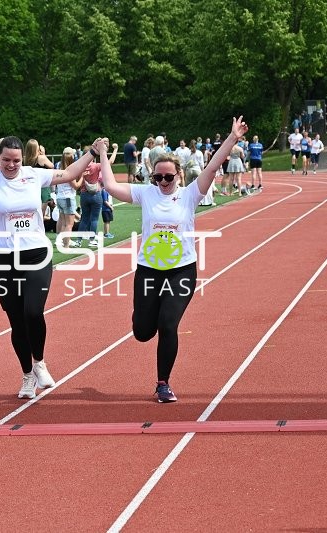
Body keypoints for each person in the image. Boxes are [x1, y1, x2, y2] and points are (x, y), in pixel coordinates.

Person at [0, 92, 106, 399]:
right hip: (3, 256)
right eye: (6, 160)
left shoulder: (34, 175)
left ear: (23, 158)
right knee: (16, 320)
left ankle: (40, 362)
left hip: (36, 253)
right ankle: (26, 375)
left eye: (17, 160)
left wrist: (92, 151)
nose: (12, 165)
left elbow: (71, 173)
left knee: (33, 312)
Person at [99, 117, 249, 402]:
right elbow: (109, 184)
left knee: (168, 324)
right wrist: (104, 154)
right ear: (152, 177)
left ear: (179, 175)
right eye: (158, 178)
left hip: (181, 271)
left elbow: (213, 166)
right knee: (143, 332)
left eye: (168, 177)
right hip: (148, 270)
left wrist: (232, 138)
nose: (164, 182)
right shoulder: (145, 194)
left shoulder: (190, 194)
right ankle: (142, 316)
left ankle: (163, 383)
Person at [55, 147, 83, 248]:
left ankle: (61, 242)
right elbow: (76, 186)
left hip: (60, 197)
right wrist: (82, 177)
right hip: (67, 198)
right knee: (69, 224)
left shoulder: (58, 167)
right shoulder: (69, 170)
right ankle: (66, 245)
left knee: (63, 223)